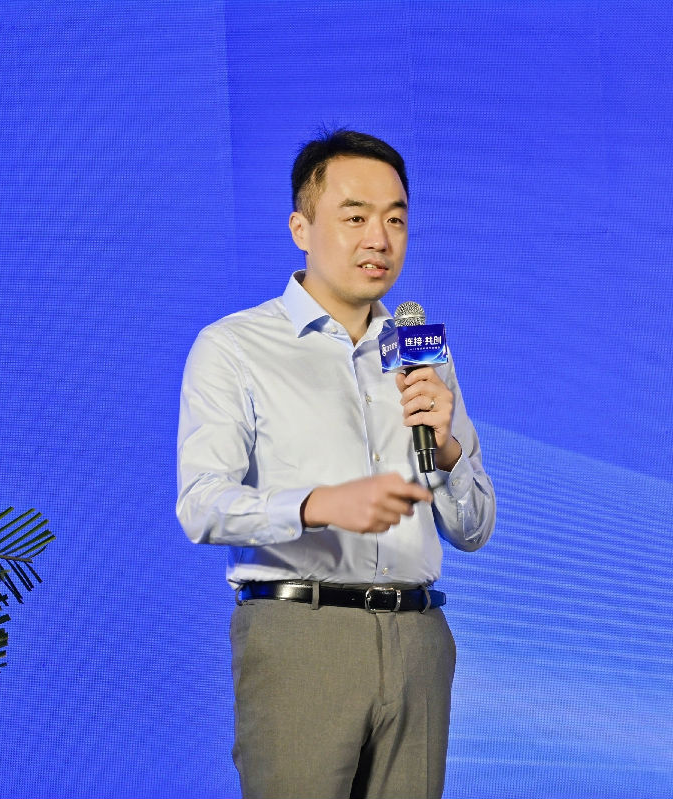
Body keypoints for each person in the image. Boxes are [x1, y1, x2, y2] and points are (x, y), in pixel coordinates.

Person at [176, 129, 495, 799]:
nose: (379, 238)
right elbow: (202, 504)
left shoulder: (421, 352)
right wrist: (317, 504)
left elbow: (473, 528)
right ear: (301, 227)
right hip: (302, 634)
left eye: (395, 219)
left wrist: (447, 453)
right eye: (355, 217)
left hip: (419, 637)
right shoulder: (235, 347)